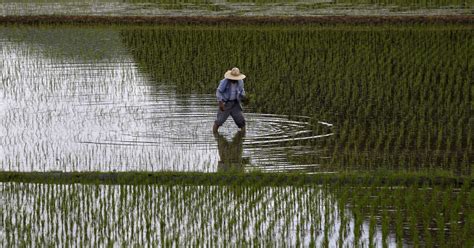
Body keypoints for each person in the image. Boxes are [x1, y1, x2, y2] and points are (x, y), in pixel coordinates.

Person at [213, 67, 246, 133]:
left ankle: (242, 137)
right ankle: (215, 135)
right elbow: (219, 91)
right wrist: (220, 102)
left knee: (241, 121)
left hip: (235, 103)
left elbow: (242, 91)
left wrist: (244, 98)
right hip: (226, 103)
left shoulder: (240, 82)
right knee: (219, 121)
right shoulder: (224, 81)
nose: (233, 80)